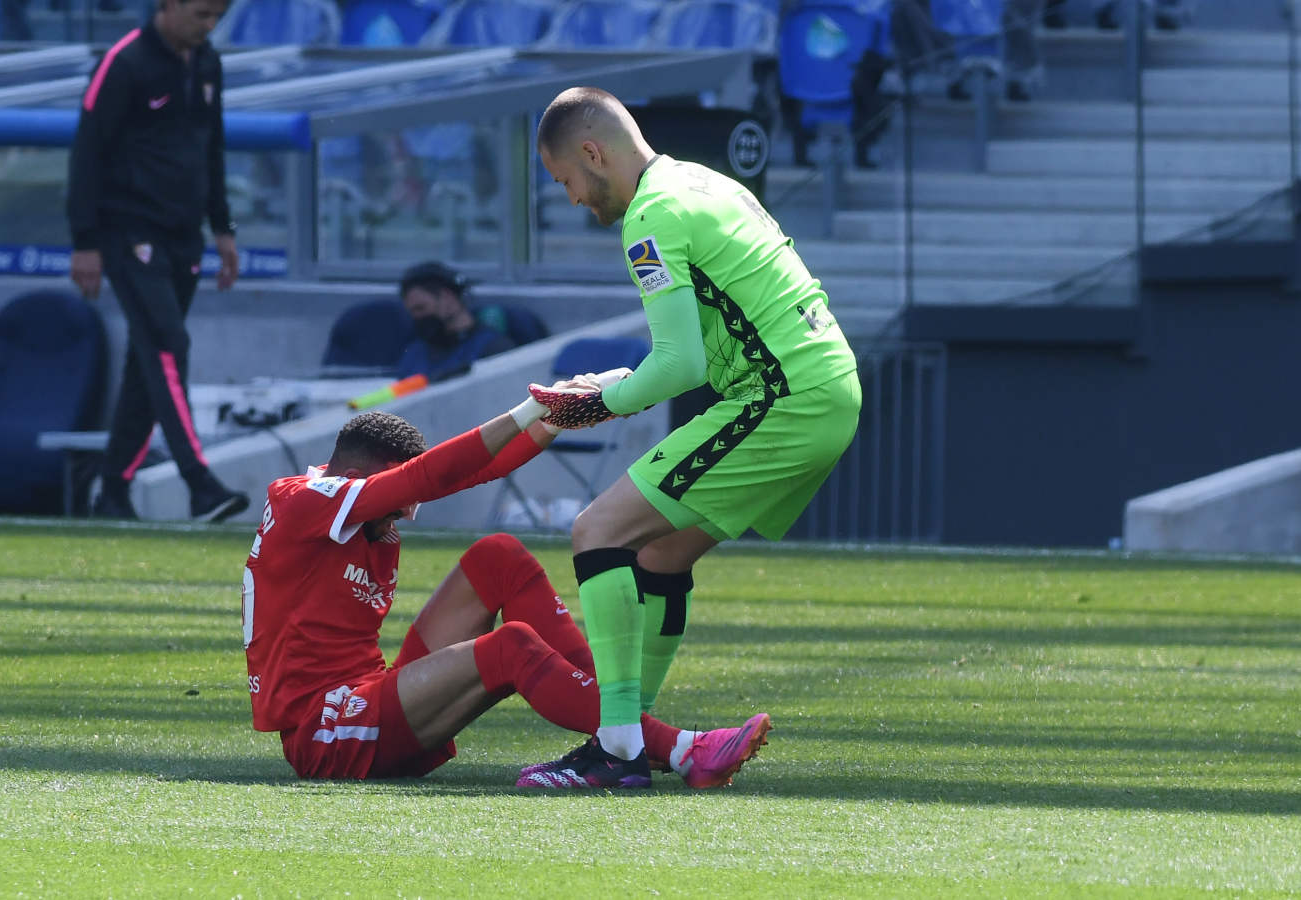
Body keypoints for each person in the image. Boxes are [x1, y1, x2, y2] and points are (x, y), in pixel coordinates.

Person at [527, 87, 861, 788]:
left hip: (785, 397)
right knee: (660, 553)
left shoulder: (649, 216)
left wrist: (587, 408)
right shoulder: (703, 182)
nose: (572, 200)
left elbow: (680, 365)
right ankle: (633, 742)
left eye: (567, 182)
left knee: (595, 531)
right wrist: (615, 388)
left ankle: (616, 752)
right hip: (826, 386)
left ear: (593, 153)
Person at [242, 403, 771, 788]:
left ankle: (619, 725)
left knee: (499, 557)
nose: (406, 515)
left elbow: (478, 470)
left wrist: (558, 416)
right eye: (401, 501)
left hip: (363, 698)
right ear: (358, 475)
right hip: (325, 729)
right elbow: (432, 473)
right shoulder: (309, 500)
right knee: (511, 645)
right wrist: (526, 408)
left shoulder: (336, 503)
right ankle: (680, 750)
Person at [66, 0, 248, 523]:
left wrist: (223, 228)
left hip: (183, 234)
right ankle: (200, 482)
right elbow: (87, 153)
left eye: (216, 15)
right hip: (128, 232)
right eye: (200, 13)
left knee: (148, 364)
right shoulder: (124, 64)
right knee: (169, 345)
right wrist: (85, 241)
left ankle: (113, 490)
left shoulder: (207, 62)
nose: (207, 25)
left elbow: (212, 147)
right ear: (167, 5)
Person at [395, 261, 516, 383]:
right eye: (411, 312)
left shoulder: (493, 349)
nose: (416, 317)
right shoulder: (414, 354)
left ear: (447, 297)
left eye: (421, 308)